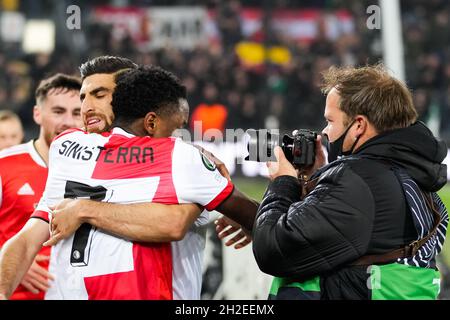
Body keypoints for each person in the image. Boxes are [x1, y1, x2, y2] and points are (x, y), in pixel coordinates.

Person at [0, 64, 258, 300]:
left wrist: (83, 209)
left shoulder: (67, 147)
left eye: (99, 95)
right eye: (83, 96)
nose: (85, 107)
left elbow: (175, 222)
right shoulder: (69, 148)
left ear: (125, 97)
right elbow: (28, 238)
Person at [252, 64, 449, 300]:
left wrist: (283, 182)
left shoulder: (358, 180)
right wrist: (317, 178)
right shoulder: (413, 174)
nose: (325, 131)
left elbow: (273, 251)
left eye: (330, 121)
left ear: (359, 126)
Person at [0, 74, 82, 299]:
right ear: (38, 114)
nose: (68, 121)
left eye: (76, 113)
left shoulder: (98, 171)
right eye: (58, 112)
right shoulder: (4, 164)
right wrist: (9, 262)